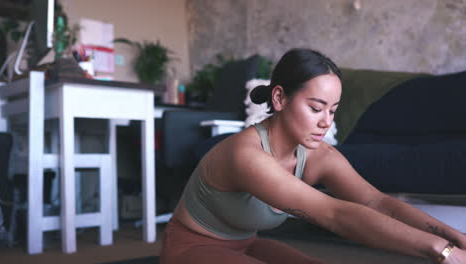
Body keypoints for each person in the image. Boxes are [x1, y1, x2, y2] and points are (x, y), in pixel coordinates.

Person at [159, 48, 466, 264]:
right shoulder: (246, 155)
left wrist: (456, 239)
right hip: (190, 249)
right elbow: (335, 214)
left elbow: (378, 202)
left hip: (247, 245)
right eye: (316, 108)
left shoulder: (319, 156)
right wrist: (439, 250)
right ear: (279, 98)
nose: (326, 122)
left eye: (332, 110)